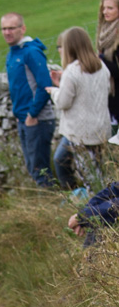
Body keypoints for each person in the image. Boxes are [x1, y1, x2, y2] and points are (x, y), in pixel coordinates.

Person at [47, 27, 111, 195]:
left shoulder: (72, 71)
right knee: (97, 171)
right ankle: (92, 199)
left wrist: (54, 91)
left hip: (81, 133)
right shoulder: (100, 66)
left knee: (90, 176)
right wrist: (63, 83)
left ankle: (93, 204)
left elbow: (63, 102)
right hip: (100, 129)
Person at [0, 12, 56, 187]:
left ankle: (53, 199)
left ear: (22, 29)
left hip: (38, 119)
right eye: (4, 29)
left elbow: (44, 85)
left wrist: (32, 114)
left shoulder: (31, 52)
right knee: (33, 168)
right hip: (24, 119)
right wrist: (20, 115)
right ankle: (49, 199)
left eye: (11, 28)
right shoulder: (12, 53)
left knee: (41, 171)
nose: (7, 32)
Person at [96, 0, 119, 133]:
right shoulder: (104, 31)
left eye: (110, 8)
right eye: (104, 8)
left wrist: (99, 60)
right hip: (109, 94)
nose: (105, 12)